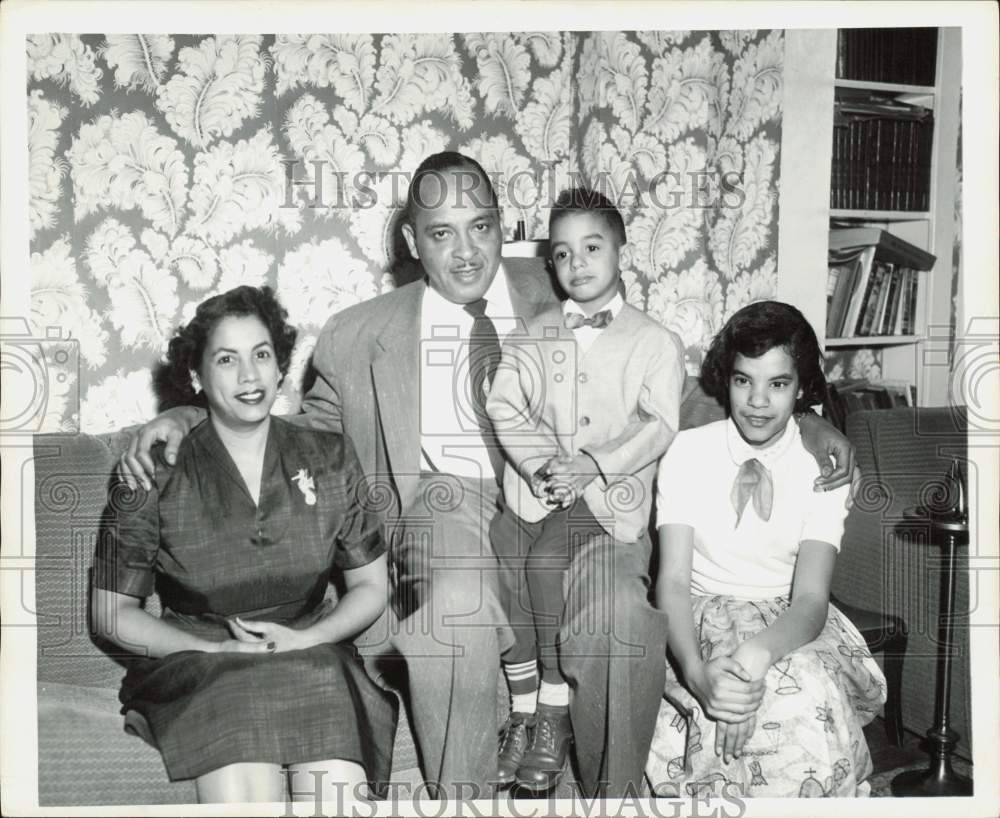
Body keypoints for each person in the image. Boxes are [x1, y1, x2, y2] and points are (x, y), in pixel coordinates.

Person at [116, 151, 858, 799]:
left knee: (622, 623)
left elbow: (678, 395)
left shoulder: (568, 284)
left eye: (482, 227)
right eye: (441, 234)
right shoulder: (356, 335)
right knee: (458, 613)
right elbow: (300, 436)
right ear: (411, 241)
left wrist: (809, 420)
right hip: (449, 505)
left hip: (585, 502)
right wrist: (188, 419)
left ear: (506, 224)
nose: (467, 252)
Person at [91, 286, 397, 804]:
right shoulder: (151, 469)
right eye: (226, 360)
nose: (249, 376)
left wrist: (307, 638)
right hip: (201, 661)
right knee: (238, 727)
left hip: (310, 653)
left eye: (261, 355)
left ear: (280, 365)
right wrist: (216, 648)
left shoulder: (329, 455)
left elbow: (370, 584)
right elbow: (110, 613)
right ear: (196, 376)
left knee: (336, 776)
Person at [644, 300, 886, 798]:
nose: (757, 401)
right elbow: (671, 581)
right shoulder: (688, 453)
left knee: (797, 692)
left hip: (789, 619)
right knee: (710, 717)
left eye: (777, 384)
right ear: (725, 380)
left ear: (801, 390)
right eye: (742, 380)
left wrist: (756, 655)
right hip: (697, 615)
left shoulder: (824, 468)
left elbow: (812, 601)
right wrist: (696, 673)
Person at [485, 188, 684, 792]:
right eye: (565, 254)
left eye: (593, 248)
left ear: (622, 251)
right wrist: (545, 466)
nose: (579, 264)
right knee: (502, 547)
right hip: (541, 486)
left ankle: (552, 707)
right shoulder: (533, 332)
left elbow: (660, 423)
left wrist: (592, 466)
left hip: (606, 497)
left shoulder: (653, 340)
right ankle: (522, 706)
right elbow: (504, 403)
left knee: (547, 561)